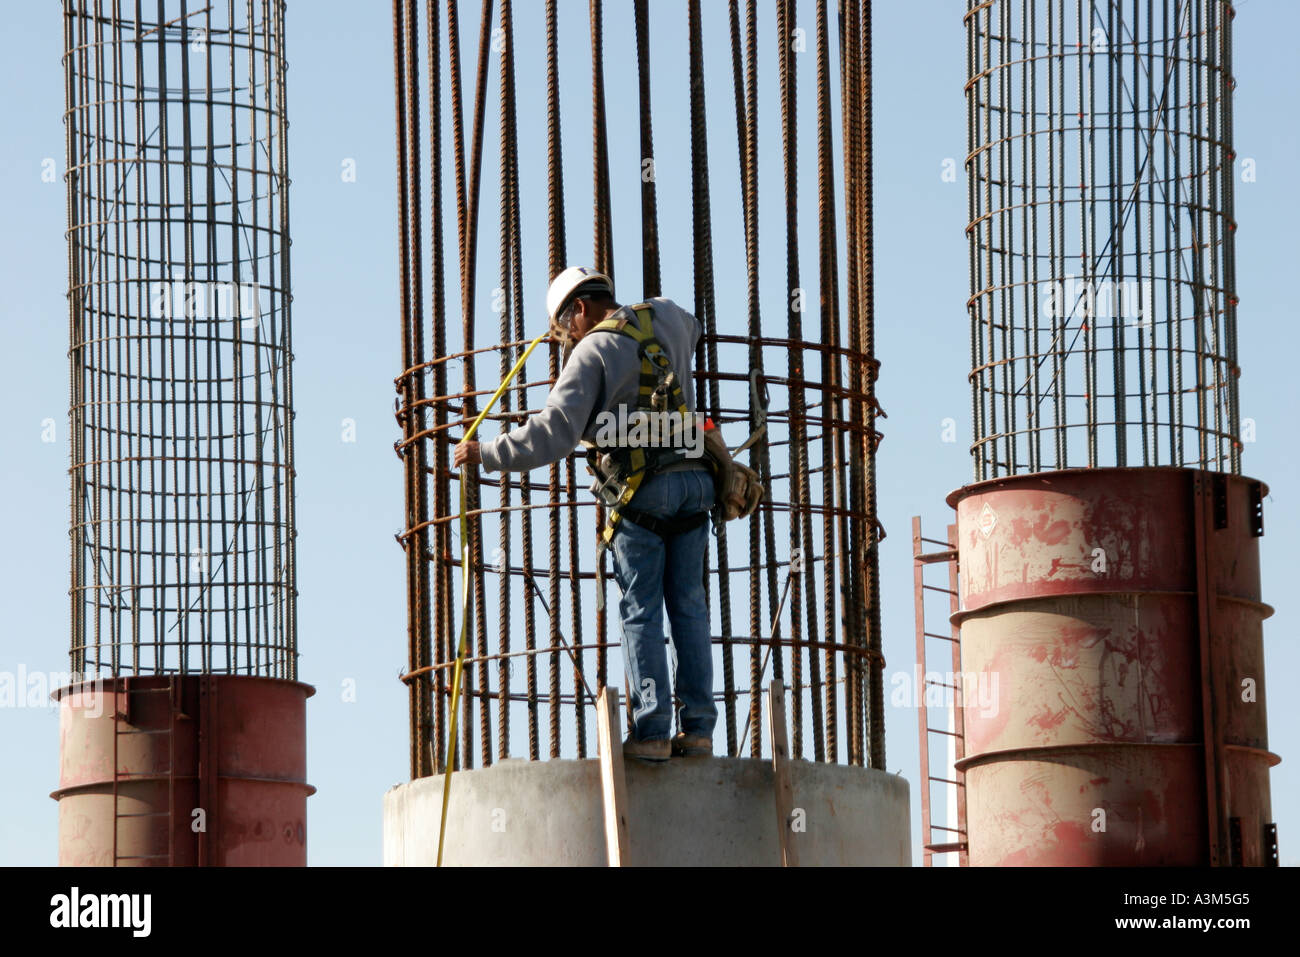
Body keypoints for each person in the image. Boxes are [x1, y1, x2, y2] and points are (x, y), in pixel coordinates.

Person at [453, 266, 716, 762]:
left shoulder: (592, 352)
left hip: (644, 497)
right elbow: (696, 326)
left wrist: (486, 453)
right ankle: (699, 729)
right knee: (690, 605)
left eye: (563, 329)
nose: (565, 341)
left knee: (641, 609)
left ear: (579, 309)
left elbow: (552, 433)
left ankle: (654, 731)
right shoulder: (667, 314)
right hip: (696, 485)